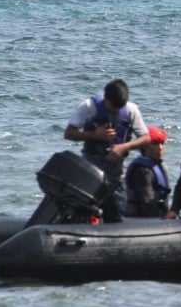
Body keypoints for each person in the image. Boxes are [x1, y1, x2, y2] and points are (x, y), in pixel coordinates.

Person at [62, 79, 150, 223]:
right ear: (105, 98)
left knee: (116, 216)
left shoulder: (131, 110)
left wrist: (124, 147)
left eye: (119, 108)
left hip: (115, 175)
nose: (116, 111)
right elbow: (69, 134)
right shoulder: (88, 107)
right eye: (113, 107)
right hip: (90, 170)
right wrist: (94, 135)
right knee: (80, 215)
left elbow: (146, 138)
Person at [124, 126, 171, 218]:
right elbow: (147, 200)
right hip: (140, 218)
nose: (160, 148)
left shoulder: (158, 165)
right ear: (144, 146)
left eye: (162, 143)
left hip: (158, 213)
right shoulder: (142, 170)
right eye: (155, 144)